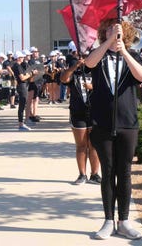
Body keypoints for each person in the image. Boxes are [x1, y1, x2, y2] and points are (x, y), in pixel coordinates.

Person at [85, 19, 142, 240]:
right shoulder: (98, 55)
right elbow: (89, 64)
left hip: (127, 123)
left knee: (125, 172)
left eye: (118, 28)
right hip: (102, 122)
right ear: (104, 32)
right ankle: (108, 220)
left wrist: (125, 52)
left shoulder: (133, 55)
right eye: (110, 28)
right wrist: (109, 41)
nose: (115, 31)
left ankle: (125, 220)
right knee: (108, 171)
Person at [60, 52, 101, 185]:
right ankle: (82, 174)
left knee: (94, 145)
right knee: (81, 145)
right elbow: (63, 79)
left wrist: (92, 87)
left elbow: (105, 87)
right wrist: (74, 67)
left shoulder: (96, 70)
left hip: (94, 111)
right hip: (78, 112)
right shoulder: (74, 72)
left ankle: (95, 174)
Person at [12, 51, 36, 131]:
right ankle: (21, 124)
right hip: (22, 86)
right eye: (22, 57)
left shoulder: (18, 66)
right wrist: (31, 73)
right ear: (18, 58)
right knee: (22, 105)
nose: (23, 58)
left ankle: (21, 123)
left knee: (23, 105)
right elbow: (22, 78)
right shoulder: (17, 66)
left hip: (23, 85)